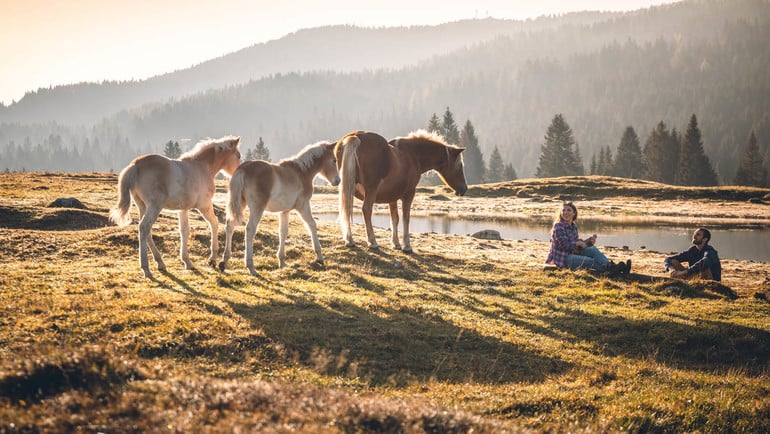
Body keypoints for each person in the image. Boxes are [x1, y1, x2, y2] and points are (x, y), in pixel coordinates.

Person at [546, 202, 630, 275]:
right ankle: (612, 270)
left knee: (592, 249)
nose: (565, 212)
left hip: (573, 254)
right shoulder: (558, 226)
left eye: (569, 210)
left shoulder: (574, 226)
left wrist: (588, 243)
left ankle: (611, 267)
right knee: (590, 261)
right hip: (563, 259)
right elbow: (564, 245)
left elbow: (576, 247)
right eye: (563, 210)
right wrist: (577, 243)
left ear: (574, 213)